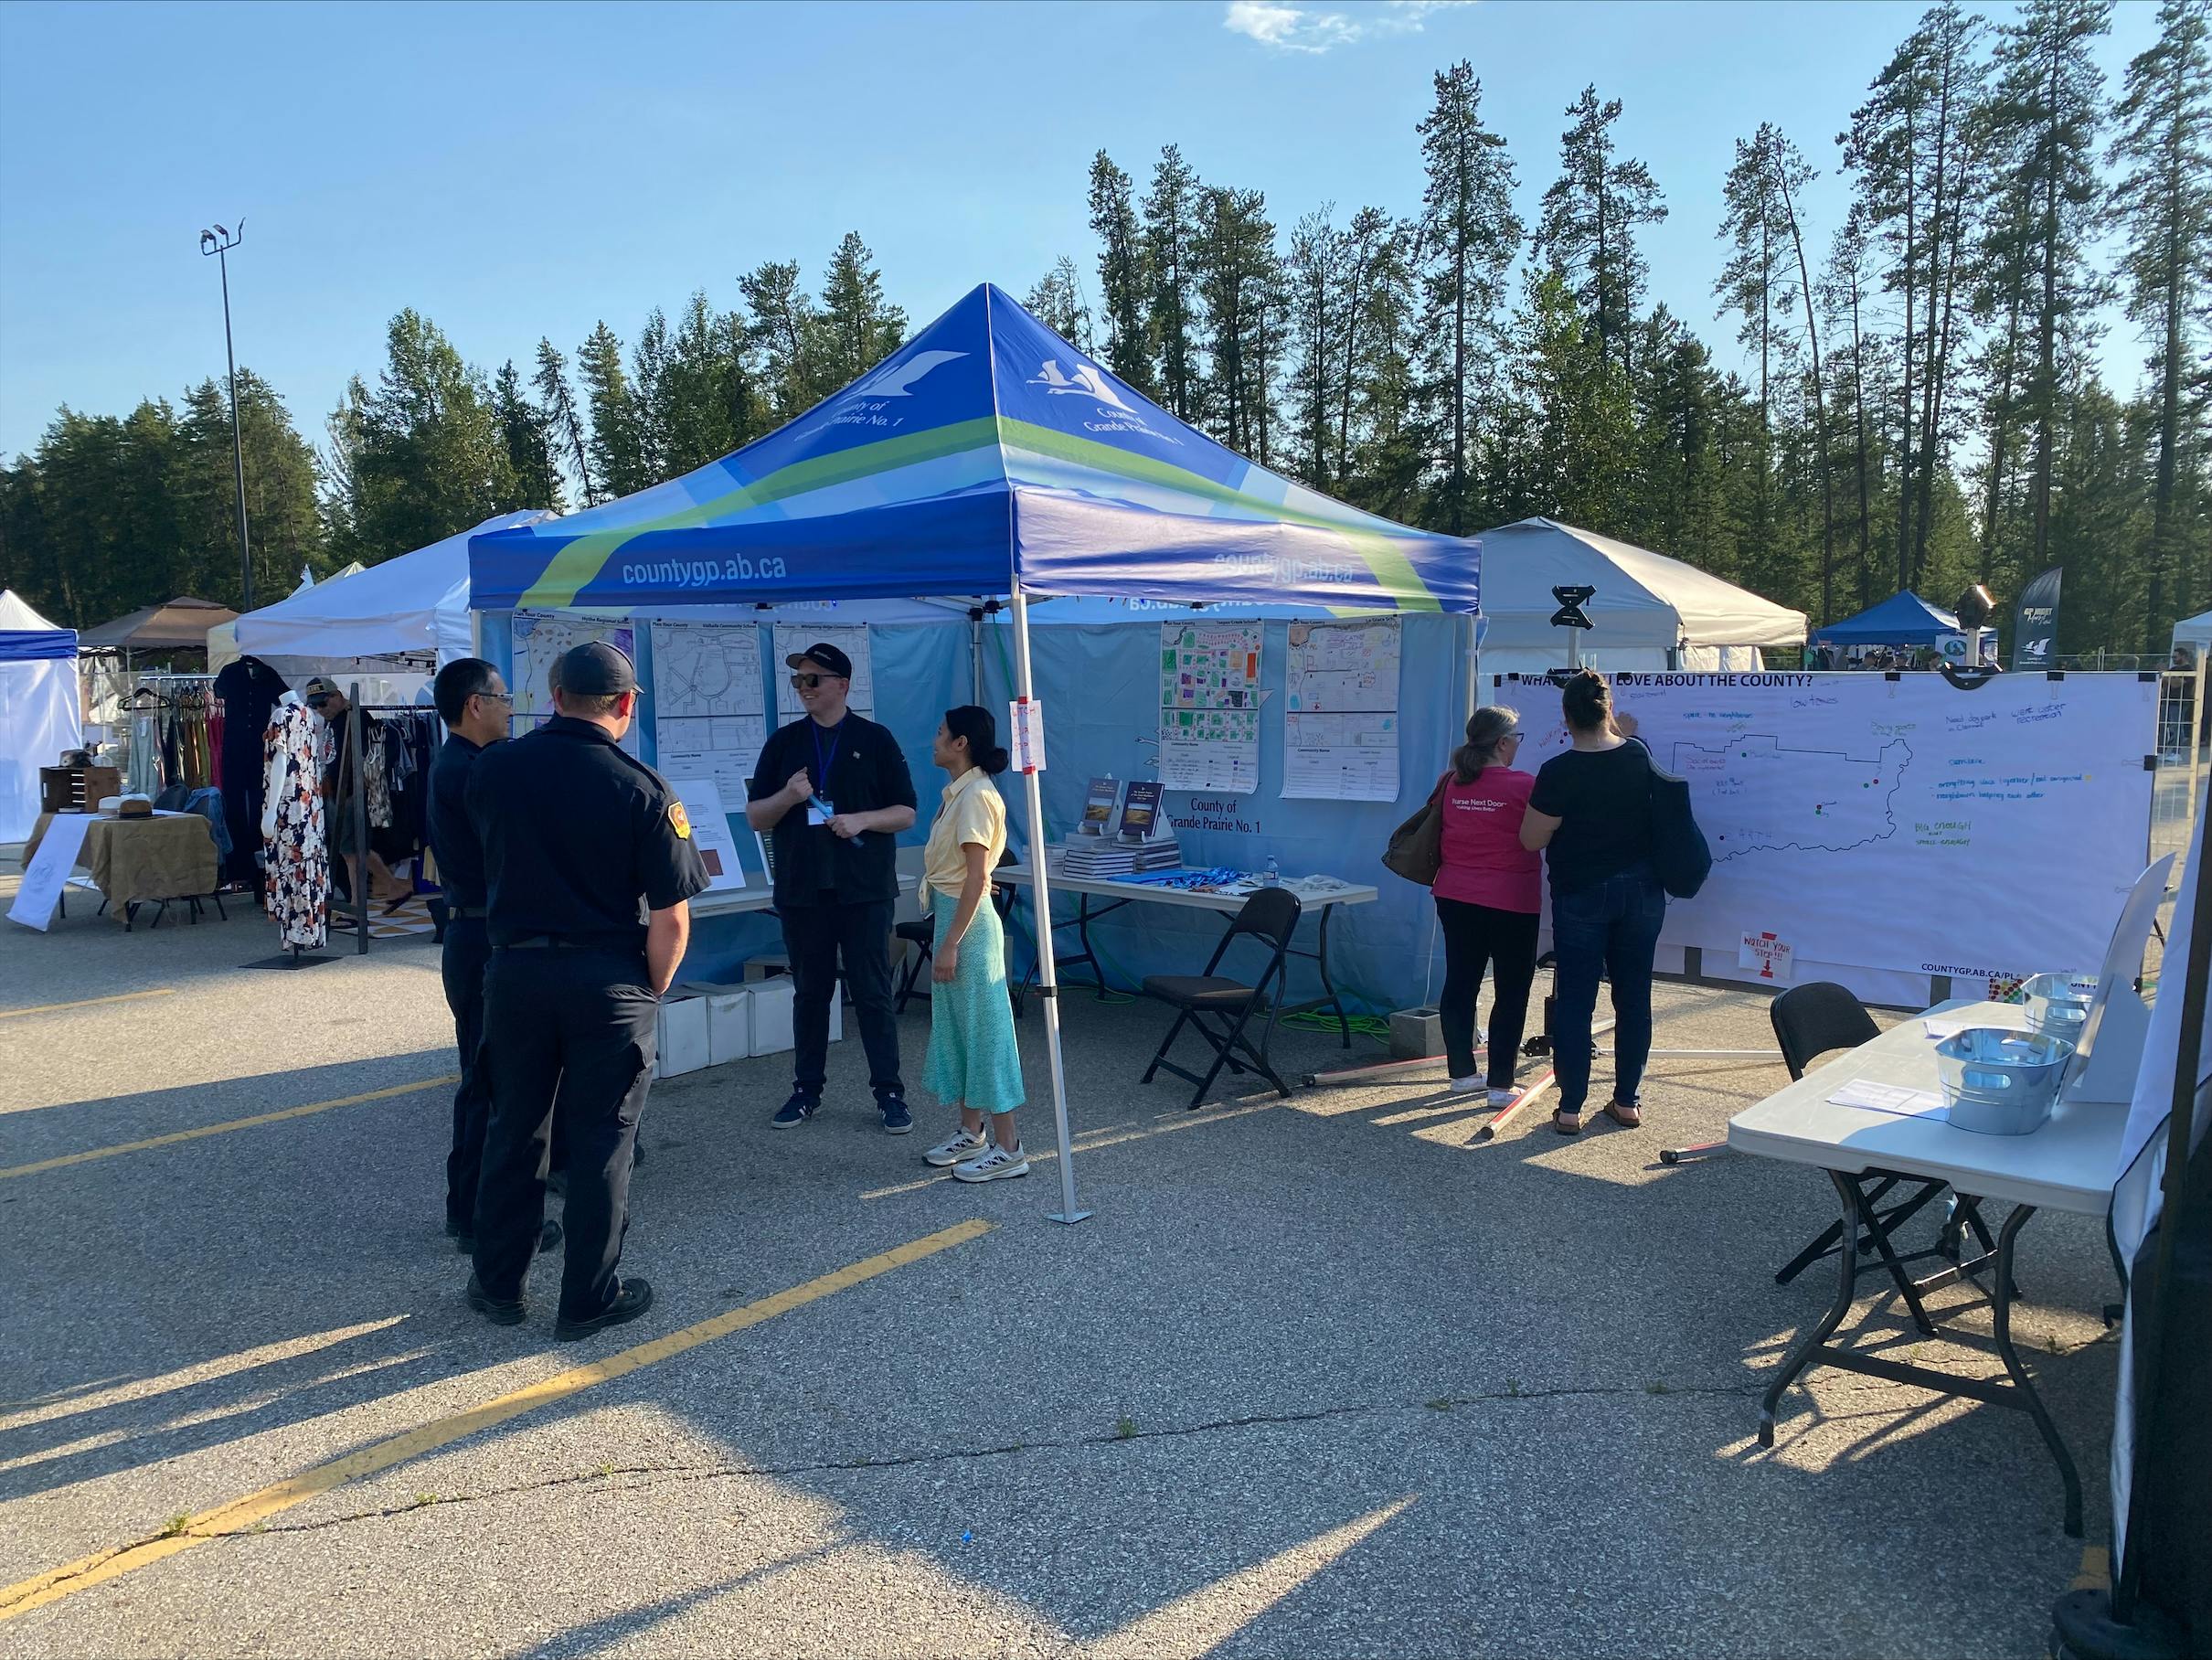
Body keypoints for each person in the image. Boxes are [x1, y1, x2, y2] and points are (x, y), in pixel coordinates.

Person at [464, 642, 707, 1340]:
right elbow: (671, 919)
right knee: (603, 1141)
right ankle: (586, 1300)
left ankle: (499, 1285)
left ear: (555, 694)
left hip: (514, 971)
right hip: (607, 977)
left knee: (514, 1128)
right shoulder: (645, 789)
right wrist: (648, 991)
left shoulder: (494, 769)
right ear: (626, 705)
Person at [746, 642, 919, 1133]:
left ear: (842, 684)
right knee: (810, 992)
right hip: (803, 889)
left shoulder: (875, 739)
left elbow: (906, 811)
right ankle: (806, 1091)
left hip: (862, 890)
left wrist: (861, 819)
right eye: (798, 680)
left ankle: (889, 1093)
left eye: (812, 679)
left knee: (872, 992)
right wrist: (789, 795)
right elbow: (757, 816)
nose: (803, 688)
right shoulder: (783, 743)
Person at [425, 657, 560, 1257]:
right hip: (483, 939)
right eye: (503, 697)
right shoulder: (470, 772)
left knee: (487, 1082)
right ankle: (483, 1219)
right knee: (492, 1085)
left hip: (475, 935)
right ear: (475, 704)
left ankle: (474, 1211)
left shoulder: (464, 765)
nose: (512, 707)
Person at [1519, 670, 1665, 1136]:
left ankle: (1570, 1108)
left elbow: (1530, 839)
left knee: (1576, 1000)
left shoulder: (1558, 771)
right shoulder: (1639, 755)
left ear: (1565, 718)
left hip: (1581, 893)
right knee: (1634, 997)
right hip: (1642, 891)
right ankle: (1627, 1101)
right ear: (1608, 710)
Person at [916, 707, 1028, 1182]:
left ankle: (1010, 1147)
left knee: (986, 1034)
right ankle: (972, 1130)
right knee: (959, 1031)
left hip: (966, 929)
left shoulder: (976, 795)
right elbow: (972, 873)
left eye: (941, 733)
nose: (935, 739)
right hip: (954, 916)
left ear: (961, 743)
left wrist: (950, 944)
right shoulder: (959, 793)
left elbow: (979, 875)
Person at [1430, 707, 1540, 1104]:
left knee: (1460, 981)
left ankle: (1461, 1074)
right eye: (1517, 739)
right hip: (1512, 899)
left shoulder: (1451, 781)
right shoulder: (1525, 785)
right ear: (1502, 742)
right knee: (1511, 989)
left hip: (1455, 894)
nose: (1518, 747)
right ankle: (1500, 1084)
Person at [305, 676, 411, 909]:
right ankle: (387, 889)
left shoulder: (357, 718)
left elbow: (369, 758)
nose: (320, 710)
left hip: (351, 792)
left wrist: (356, 788)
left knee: (353, 850)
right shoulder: (338, 719)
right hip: (340, 790)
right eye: (315, 706)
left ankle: (359, 901)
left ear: (337, 696)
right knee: (353, 850)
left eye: (323, 703)